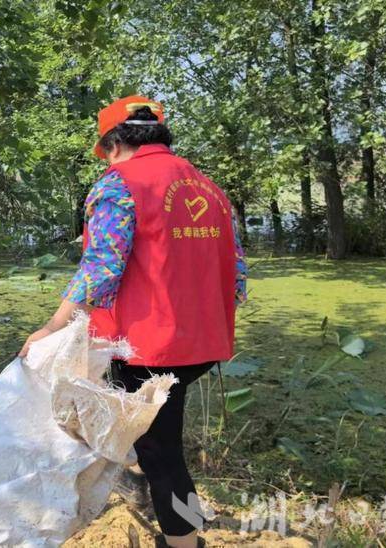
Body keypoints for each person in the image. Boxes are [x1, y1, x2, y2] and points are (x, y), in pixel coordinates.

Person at [20, 96, 247, 548]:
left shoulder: (118, 186)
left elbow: (101, 268)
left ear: (113, 143)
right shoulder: (209, 190)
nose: (106, 159)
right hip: (202, 341)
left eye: (104, 151)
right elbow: (237, 276)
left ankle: (184, 541)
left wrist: (52, 327)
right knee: (140, 431)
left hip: (146, 346)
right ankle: (144, 489)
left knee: (161, 452)